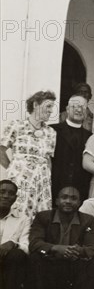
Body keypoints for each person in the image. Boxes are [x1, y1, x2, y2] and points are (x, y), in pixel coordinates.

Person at [28, 186, 94, 289]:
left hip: (73, 269)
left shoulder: (87, 220)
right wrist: (56, 248)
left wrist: (77, 251)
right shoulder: (43, 217)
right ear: (56, 201)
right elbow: (34, 243)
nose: (68, 201)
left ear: (79, 202)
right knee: (34, 257)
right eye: (64, 197)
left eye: (73, 198)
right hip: (49, 266)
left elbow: (93, 248)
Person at [0, 90, 56, 218]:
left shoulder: (51, 132)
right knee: (18, 213)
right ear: (35, 105)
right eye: (48, 106)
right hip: (20, 179)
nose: (51, 111)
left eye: (52, 107)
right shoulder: (17, 125)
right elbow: (1, 150)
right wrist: (12, 169)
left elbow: (48, 159)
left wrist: (48, 179)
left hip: (42, 181)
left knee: (41, 216)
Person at [51, 94, 93, 201]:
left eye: (83, 107)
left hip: (80, 191)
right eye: (74, 106)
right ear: (67, 109)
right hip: (55, 188)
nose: (79, 110)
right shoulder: (52, 130)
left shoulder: (91, 137)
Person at [0, 180, 30, 289]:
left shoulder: (22, 218)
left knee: (17, 255)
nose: (6, 196)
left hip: (8, 261)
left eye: (11, 193)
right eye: (2, 192)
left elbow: (26, 245)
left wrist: (13, 243)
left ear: (15, 198)